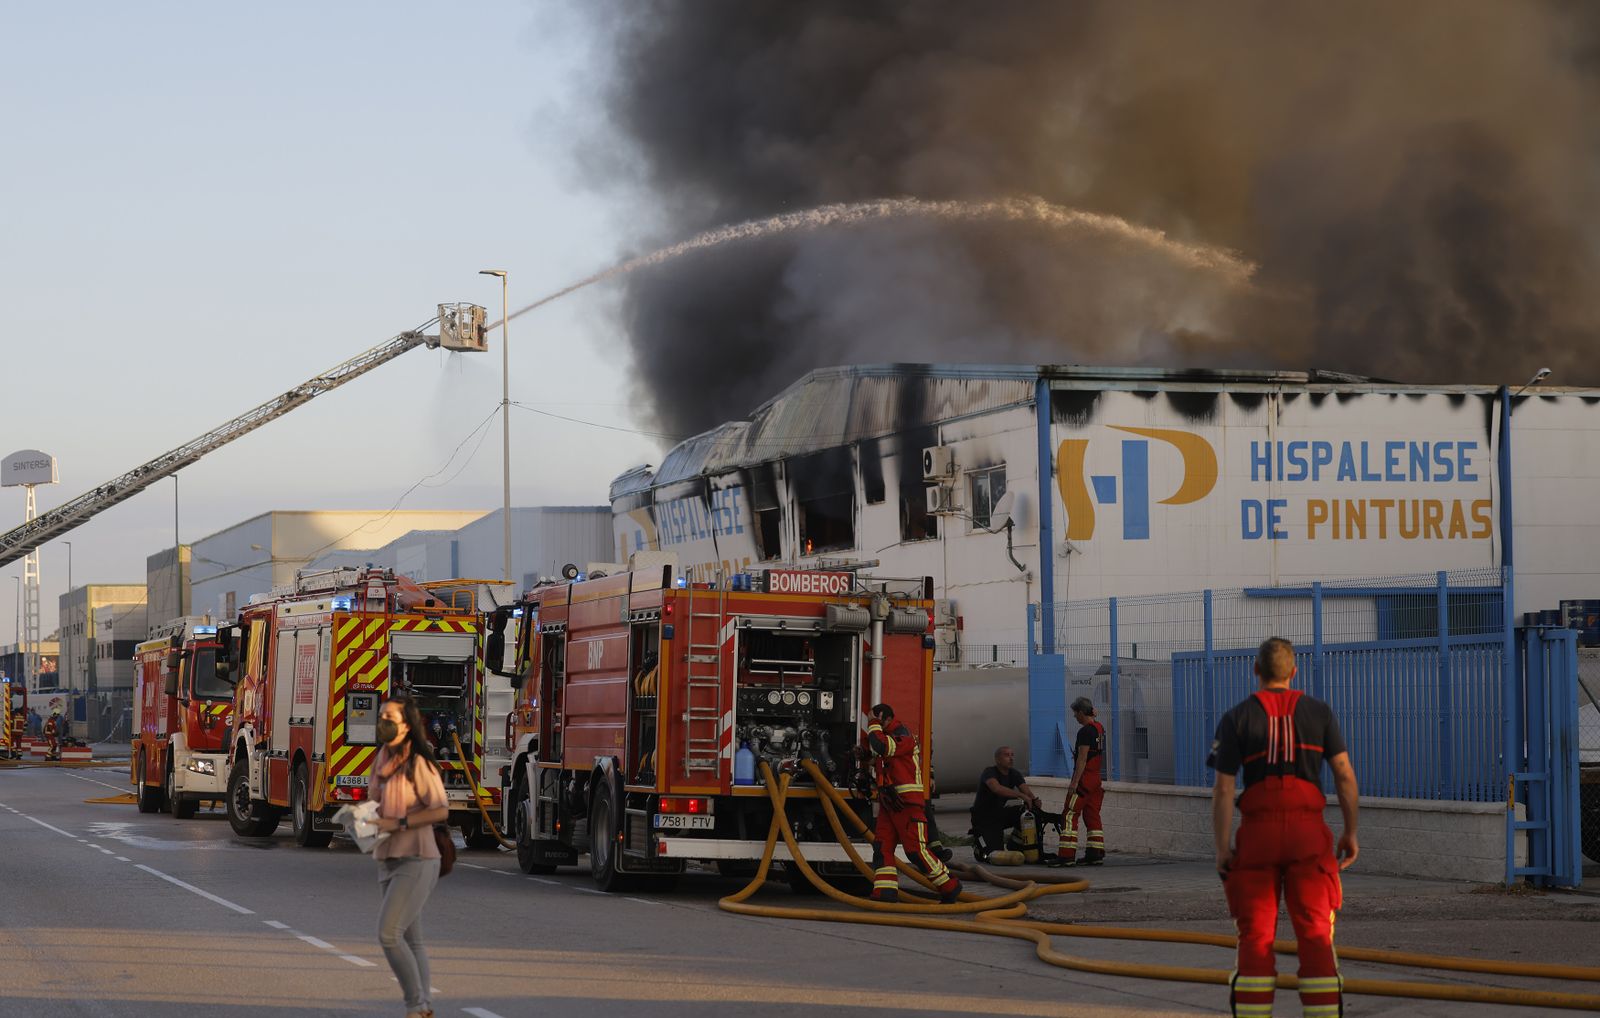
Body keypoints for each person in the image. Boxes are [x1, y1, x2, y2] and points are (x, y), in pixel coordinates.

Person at [1211, 637, 1360, 1018]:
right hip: (1308, 836)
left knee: (1256, 937)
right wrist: (1350, 831)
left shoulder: (1236, 717)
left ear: (1256, 671)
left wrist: (1222, 847)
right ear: (1294, 672)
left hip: (1257, 836)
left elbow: (1224, 788)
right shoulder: (1320, 713)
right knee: (1314, 935)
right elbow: (1344, 776)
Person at [370, 695, 450, 1018]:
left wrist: (399, 822)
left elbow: (440, 809)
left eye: (390, 717)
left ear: (406, 725)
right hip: (387, 857)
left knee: (388, 933)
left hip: (417, 857)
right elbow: (378, 799)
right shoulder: (382, 757)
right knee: (412, 939)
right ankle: (424, 1005)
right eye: (381, 717)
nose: (383, 722)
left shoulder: (419, 762)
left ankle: (415, 1005)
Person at [863, 702, 962, 904]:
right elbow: (879, 754)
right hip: (890, 802)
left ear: (886, 718)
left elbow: (883, 746)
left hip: (907, 803)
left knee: (916, 851)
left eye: (877, 720)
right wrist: (863, 755)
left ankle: (950, 886)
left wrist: (872, 722)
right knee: (882, 847)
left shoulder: (904, 736)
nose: (874, 725)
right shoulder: (891, 737)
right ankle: (885, 891)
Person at [1051, 696, 1106, 866]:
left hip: (1084, 779)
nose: (1074, 717)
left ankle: (1066, 856)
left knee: (1069, 814)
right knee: (1092, 815)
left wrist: (1074, 783)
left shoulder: (1085, 732)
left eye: (1075, 714)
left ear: (1082, 712)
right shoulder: (1099, 728)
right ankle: (1095, 853)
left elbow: (1082, 759)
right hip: (1096, 779)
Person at [969, 745, 1044, 862]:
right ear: (997, 759)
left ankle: (1016, 844)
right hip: (984, 817)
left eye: (1012, 755)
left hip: (999, 813)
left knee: (1027, 814)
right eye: (1007, 755)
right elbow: (996, 788)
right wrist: (1020, 795)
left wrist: (1034, 801)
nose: (1011, 758)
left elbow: (1027, 791)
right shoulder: (989, 772)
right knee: (994, 854)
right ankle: (979, 845)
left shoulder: (1014, 773)